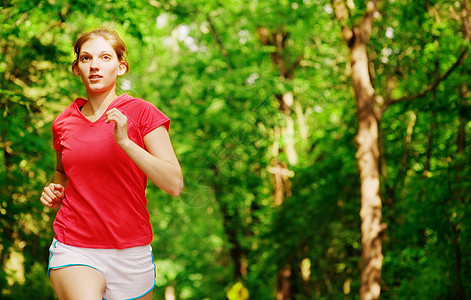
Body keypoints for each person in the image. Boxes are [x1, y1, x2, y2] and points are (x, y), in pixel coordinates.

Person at [40, 28, 183, 300]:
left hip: (131, 250)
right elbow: (62, 172)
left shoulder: (142, 113)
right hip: (75, 245)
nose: (94, 65)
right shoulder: (63, 123)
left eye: (105, 58)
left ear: (121, 66)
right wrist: (56, 189)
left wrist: (126, 142)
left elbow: (174, 183)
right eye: (86, 58)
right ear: (76, 68)